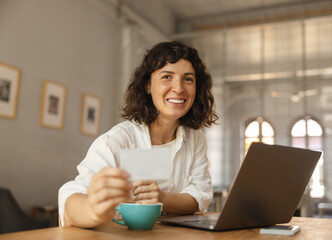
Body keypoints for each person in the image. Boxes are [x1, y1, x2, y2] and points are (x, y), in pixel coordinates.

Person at [58, 41, 218, 228]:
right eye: (167, 77)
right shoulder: (120, 140)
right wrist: (94, 208)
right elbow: (72, 197)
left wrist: (161, 197)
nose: (179, 88)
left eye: (188, 79)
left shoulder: (195, 139)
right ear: (148, 86)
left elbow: (199, 197)